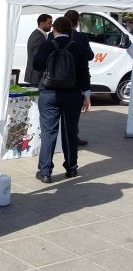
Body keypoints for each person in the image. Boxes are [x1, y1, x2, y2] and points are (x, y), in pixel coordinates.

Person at [33, 16, 91, 183]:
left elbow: (37, 65)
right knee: (70, 132)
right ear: (71, 30)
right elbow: (84, 72)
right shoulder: (78, 47)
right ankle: (71, 168)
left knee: (48, 132)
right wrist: (86, 95)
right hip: (73, 95)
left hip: (49, 94)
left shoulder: (47, 45)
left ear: (54, 29)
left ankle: (45, 172)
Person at [48, 10, 94, 146]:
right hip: (74, 84)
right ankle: (72, 144)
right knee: (72, 120)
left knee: (51, 122)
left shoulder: (51, 36)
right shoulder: (81, 38)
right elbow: (89, 57)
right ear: (76, 22)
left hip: (52, 83)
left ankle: (51, 152)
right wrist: (87, 93)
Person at [25, 14, 52, 86]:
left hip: (36, 74)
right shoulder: (39, 37)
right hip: (36, 75)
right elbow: (39, 56)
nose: (51, 25)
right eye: (49, 23)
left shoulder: (39, 35)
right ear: (41, 24)